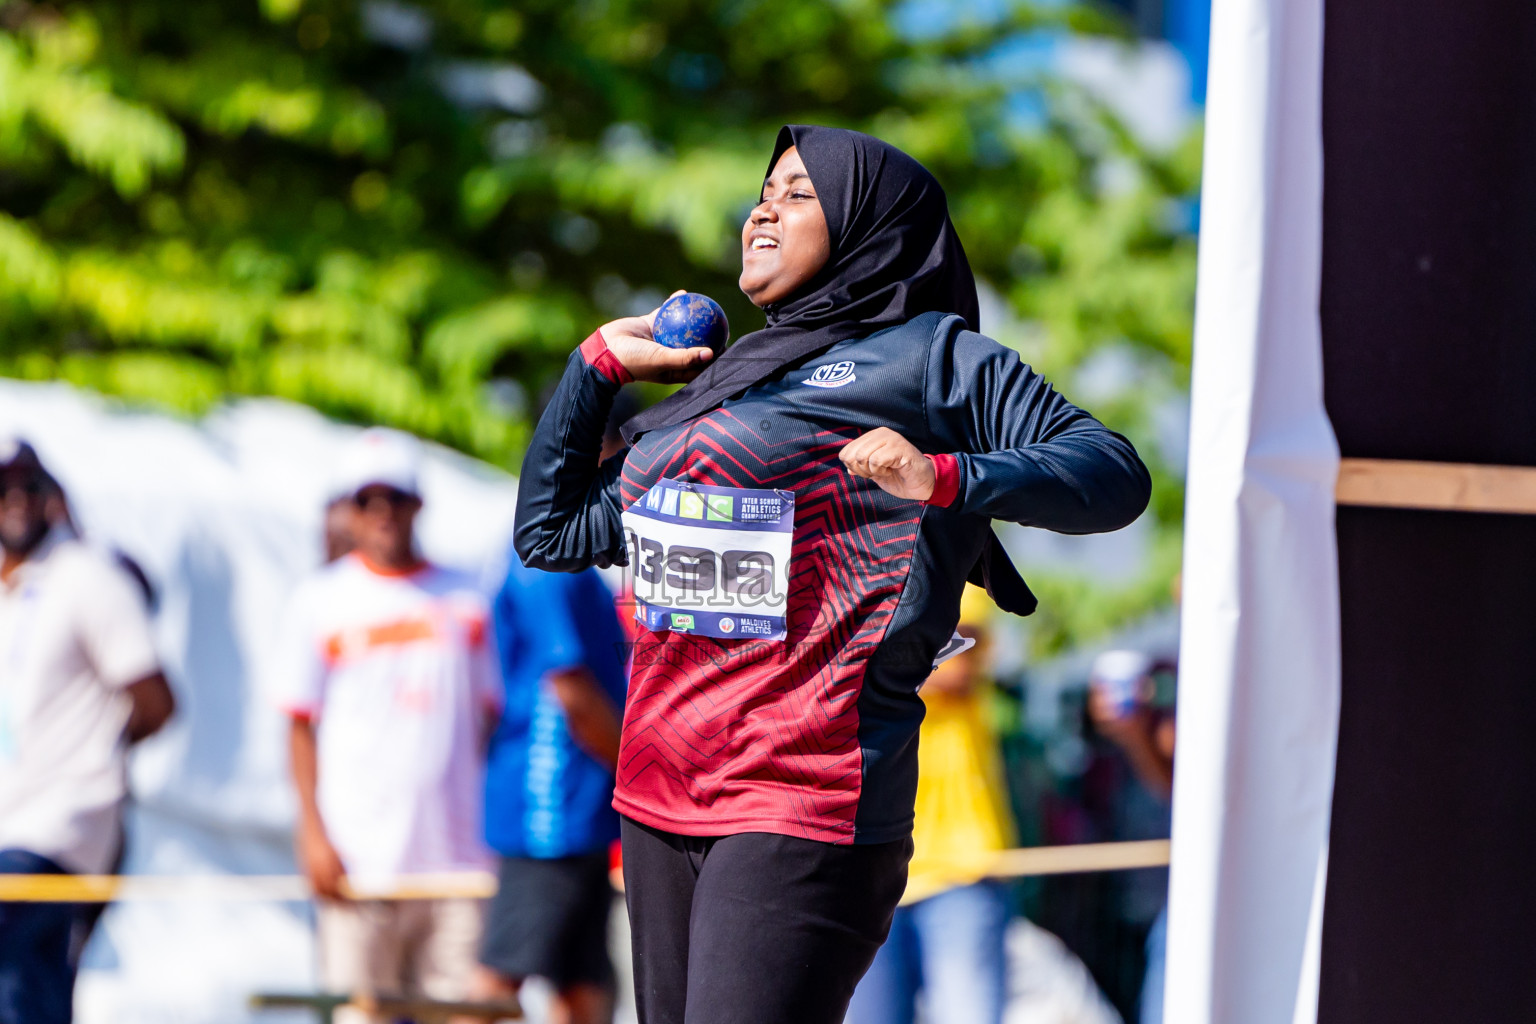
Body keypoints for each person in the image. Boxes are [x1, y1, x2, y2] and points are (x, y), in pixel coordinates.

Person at [514, 125, 1151, 1024]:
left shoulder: (927, 358)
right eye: (763, 192)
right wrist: (596, 370)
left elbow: (1112, 473)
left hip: (802, 796)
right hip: (658, 796)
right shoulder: (719, 383)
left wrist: (942, 477)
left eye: (800, 194)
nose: (764, 210)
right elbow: (551, 532)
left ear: (868, 226)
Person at [272, 428, 500, 1024]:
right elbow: (298, 725)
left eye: (394, 498)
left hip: (458, 864)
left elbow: (493, 719)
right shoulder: (319, 601)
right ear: (349, 510)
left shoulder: (466, 599)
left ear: (417, 504)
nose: (382, 514)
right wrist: (313, 834)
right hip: (359, 863)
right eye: (368, 500)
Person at [0, 437, 175, 1024]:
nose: (16, 499)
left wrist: (92, 755)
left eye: (29, 485)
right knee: (36, 988)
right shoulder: (14, 590)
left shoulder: (85, 576)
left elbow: (156, 700)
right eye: (3, 487)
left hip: (59, 829)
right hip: (15, 824)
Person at [845, 585, 1015, 1024]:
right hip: (867, 863)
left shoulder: (952, 552)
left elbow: (962, 656)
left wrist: (858, 654)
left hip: (959, 869)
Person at [1087, 650, 1175, 1024]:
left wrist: (1136, 734)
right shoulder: (1091, 753)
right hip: (1123, 907)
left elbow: (1171, 789)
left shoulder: (1166, 730)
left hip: (1166, 903)